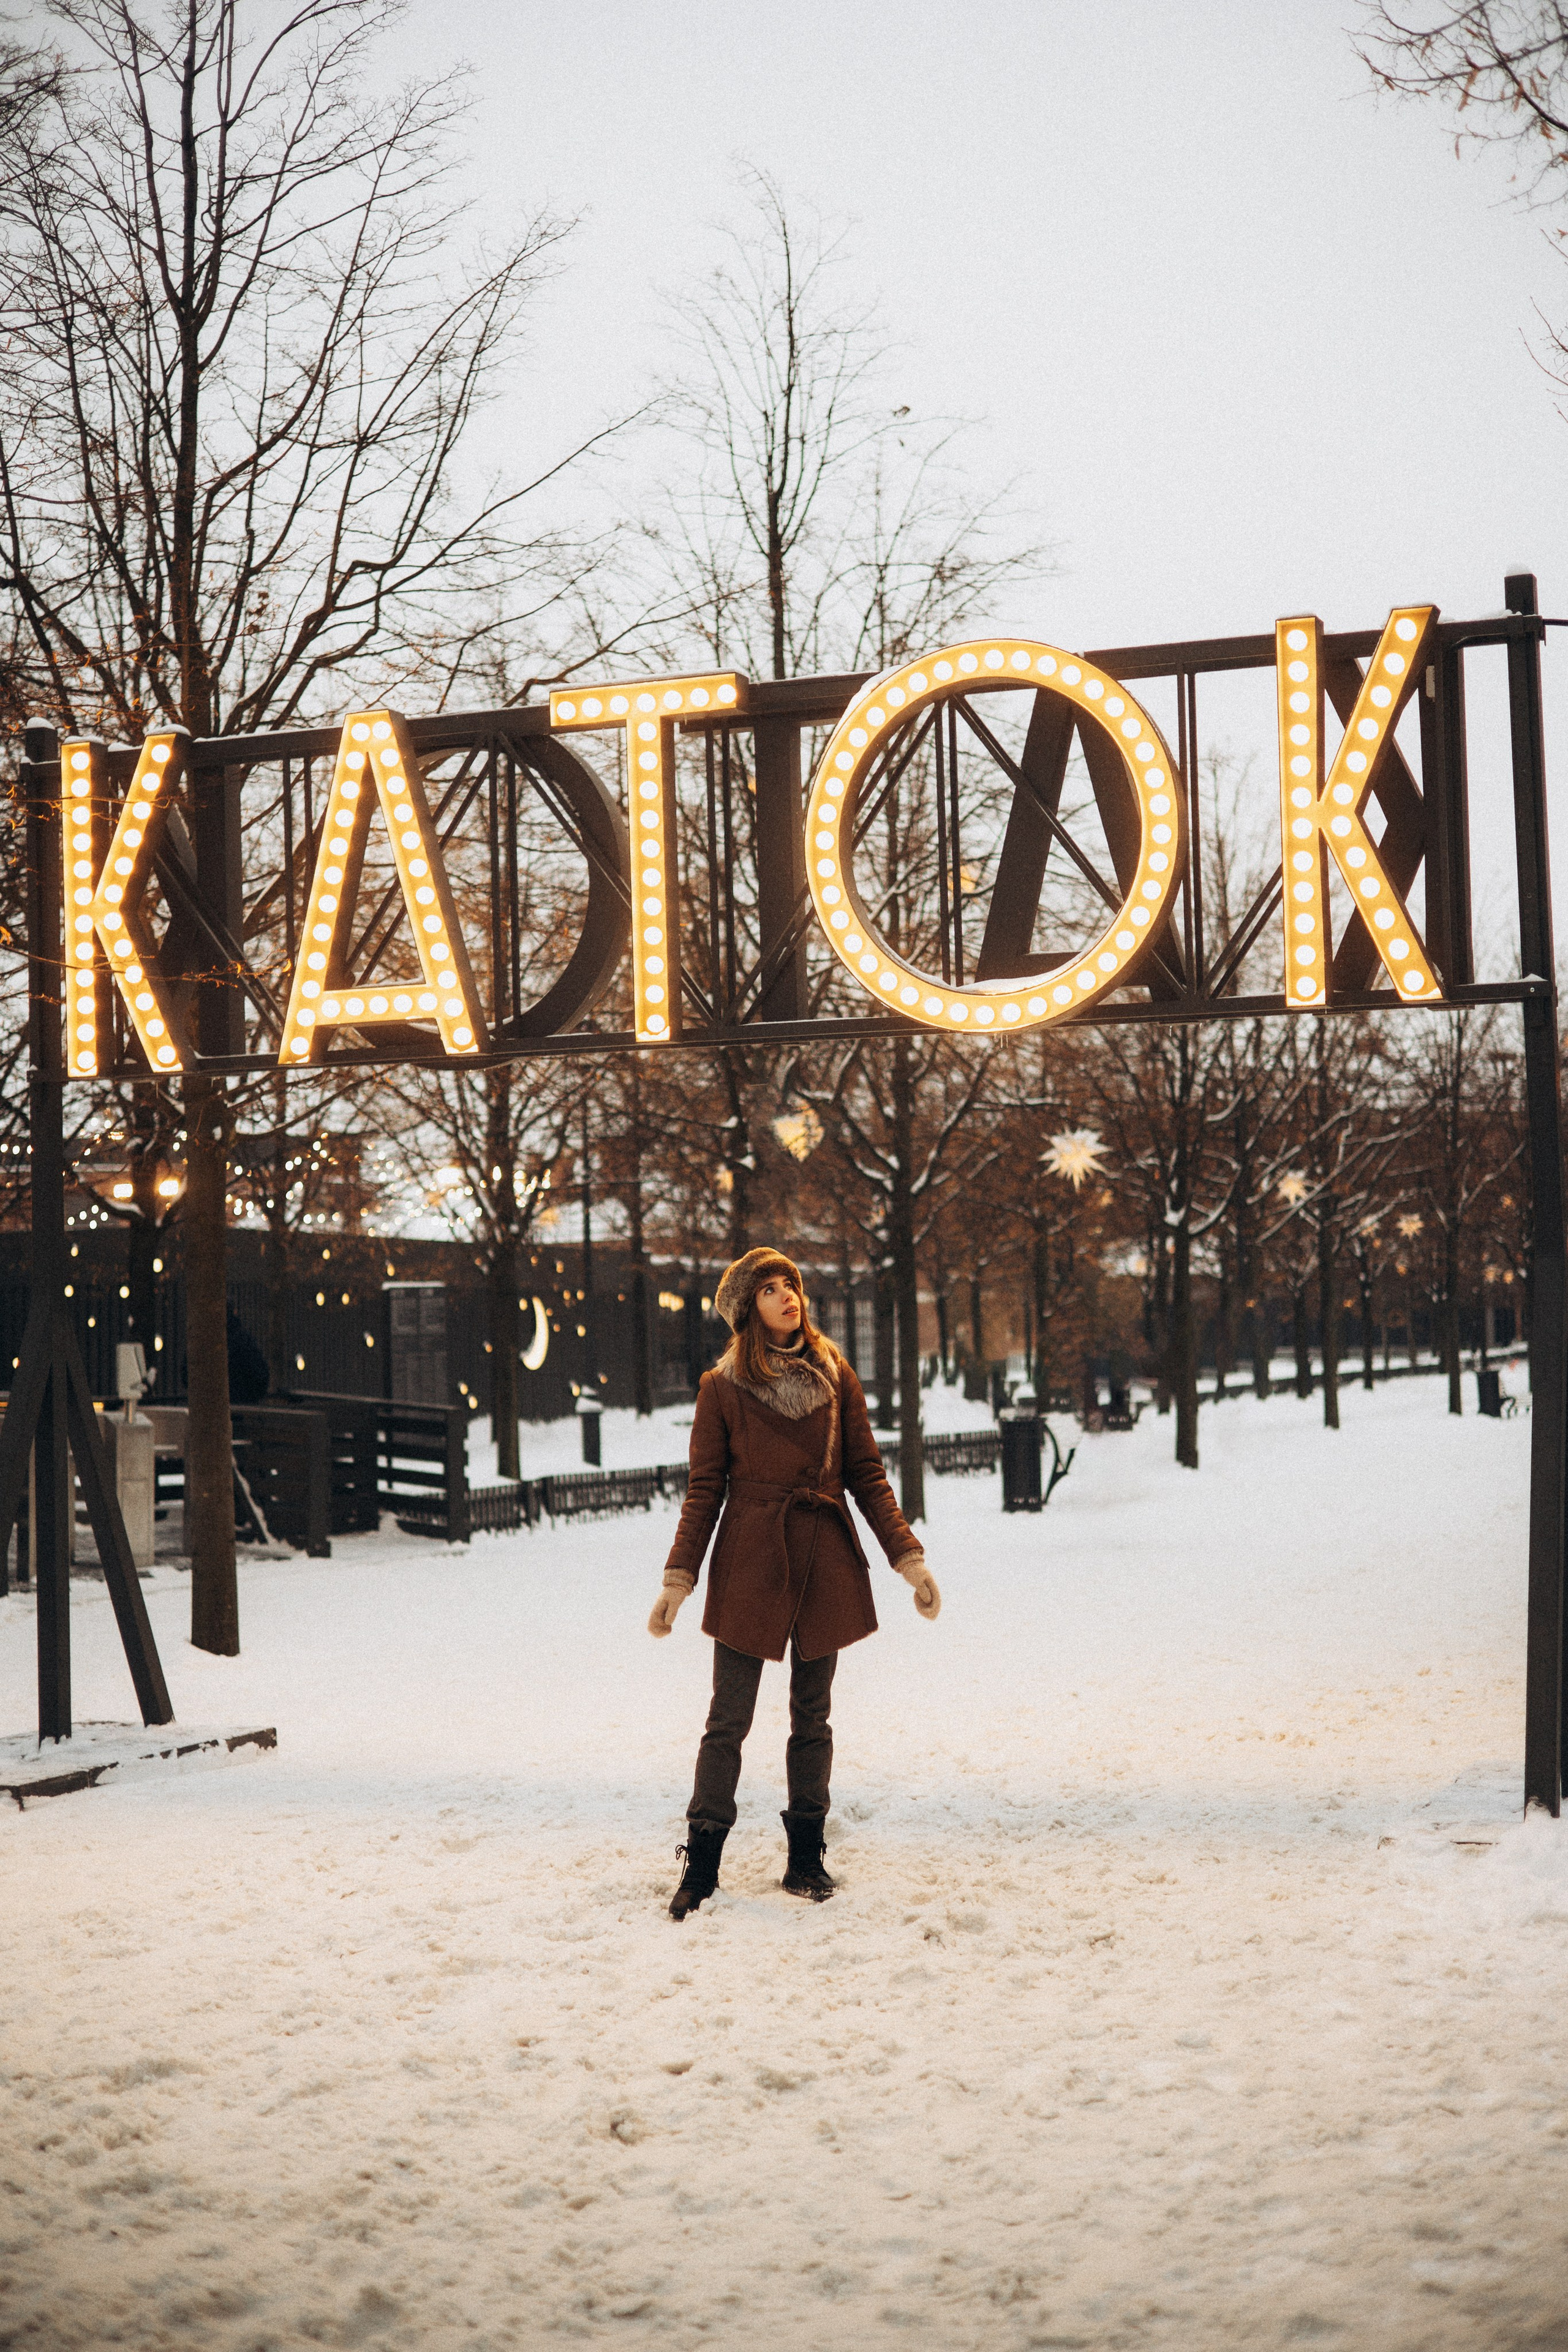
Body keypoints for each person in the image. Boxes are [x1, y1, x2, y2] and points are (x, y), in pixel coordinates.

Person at [649, 1246, 941, 1920]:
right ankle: (703, 1860)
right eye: (770, 1289)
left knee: (813, 1718)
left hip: (823, 1556)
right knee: (728, 1720)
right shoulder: (720, 1387)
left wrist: (909, 1559)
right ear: (747, 1310)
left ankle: (805, 1855)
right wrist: (678, 1578)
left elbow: (866, 1474)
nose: (788, 1297)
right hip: (751, 1558)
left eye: (792, 1285)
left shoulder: (836, 1373)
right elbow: (703, 1491)